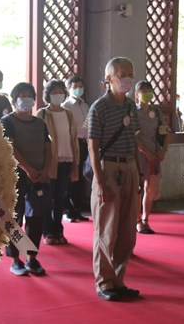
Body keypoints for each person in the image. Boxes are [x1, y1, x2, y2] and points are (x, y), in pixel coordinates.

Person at [88, 57, 141, 301]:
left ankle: (119, 279)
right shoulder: (99, 107)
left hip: (129, 167)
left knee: (127, 231)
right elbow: (93, 145)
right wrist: (99, 181)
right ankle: (104, 282)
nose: (127, 78)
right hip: (108, 167)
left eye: (129, 73)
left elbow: (135, 139)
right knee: (107, 230)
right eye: (121, 74)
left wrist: (138, 173)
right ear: (109, 79)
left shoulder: (131, 106)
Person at [1, 81, 52, 276]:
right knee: (15, 217)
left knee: (36, 218)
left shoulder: (40, 123)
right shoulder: (7, 121)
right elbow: (11, 148)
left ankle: (31, 258)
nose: (25, 98)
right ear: (14, 101)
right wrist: (27, 168)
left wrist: (45, 169)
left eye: (28, 95)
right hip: (16, 177)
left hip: (39, 177)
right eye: (21, 95)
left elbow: (48, 148)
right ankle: (15, 259)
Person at [36, 79, 79, 245]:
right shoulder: (43, 113)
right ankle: (47, 231)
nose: (57, 95)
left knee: (61, 198)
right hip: (49, 163)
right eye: (54, 92)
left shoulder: (68, 113)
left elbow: (73, 138)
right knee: (48, 198)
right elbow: (39, 139)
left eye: (60, 92)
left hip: (66, 160)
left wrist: (75, 161)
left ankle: (58, 229)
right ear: (48, 95)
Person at [133, 80, 169, 234]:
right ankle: (137, 220)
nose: (147, 93)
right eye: (143, 90)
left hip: (155, 152)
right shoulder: (133, 112)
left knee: (151, 187)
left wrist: (163, 150)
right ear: (136, 94)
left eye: (149, 89)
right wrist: (144, 151)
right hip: (138, 153)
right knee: (137, 188)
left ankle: (146, 218)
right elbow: (133, 135)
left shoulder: (157, 112)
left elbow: (165, 132)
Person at [62, 74, 90, 221]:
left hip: (86, 143)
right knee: (71, 177)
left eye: (80, 87)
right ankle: (68, 211)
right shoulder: (66, 106)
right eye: (75, 87)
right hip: (73, 143)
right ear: (68, 89)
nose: (78, 89)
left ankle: (78, 209)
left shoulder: (85, 106)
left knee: (81, 177)